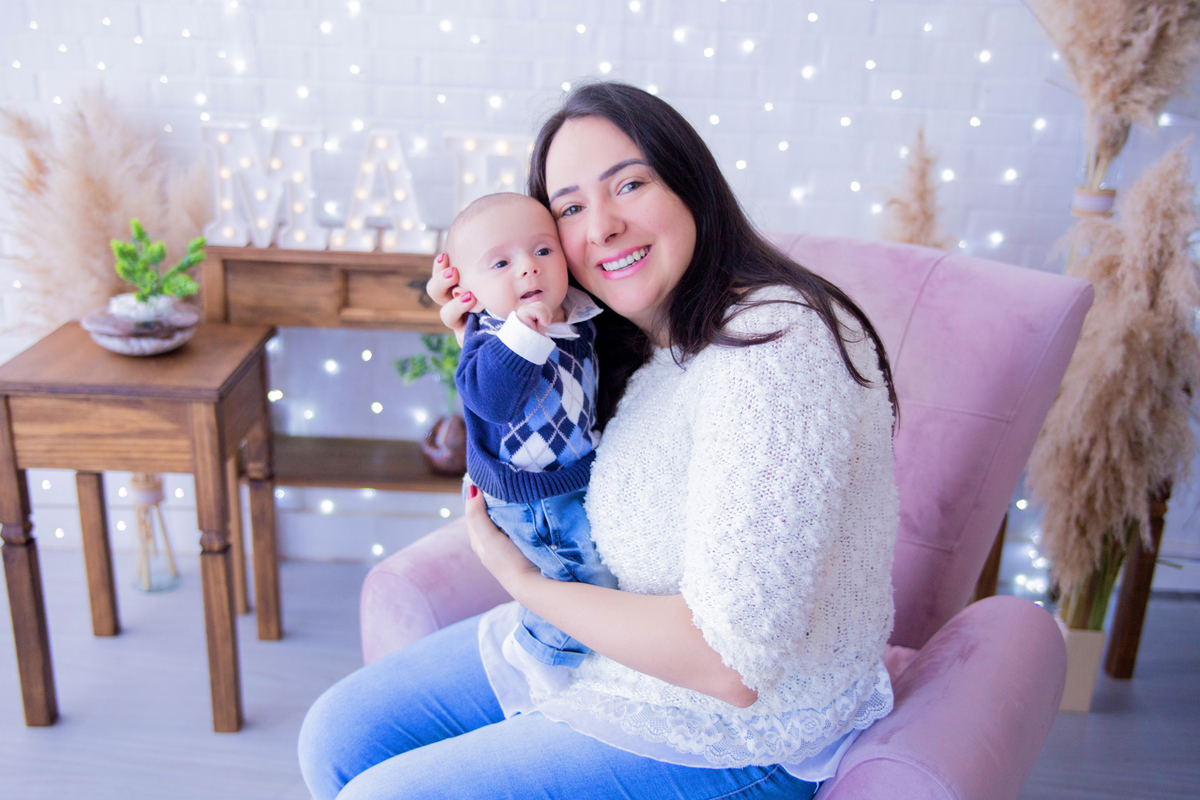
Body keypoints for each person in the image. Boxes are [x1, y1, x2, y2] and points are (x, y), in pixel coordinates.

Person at [299, 81, 900, 800]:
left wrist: (525, 584)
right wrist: (492, 340)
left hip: (743, 727)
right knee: (339, 733)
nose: (602, 227)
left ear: (691, 184)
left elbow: (728, 666)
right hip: (602, 645)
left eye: (631, 184)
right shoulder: (621, 335)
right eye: (571, 209)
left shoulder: (777, 347)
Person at [445, 191, 617, 689]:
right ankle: (538, 656)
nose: (528, 269)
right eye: (501, 262)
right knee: (585, 582)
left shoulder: (577, 311)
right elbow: (488, 400)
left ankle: (559, 650)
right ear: (468, 293)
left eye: (543, 251)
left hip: (567, 478)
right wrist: (519, 334)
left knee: (591, 575)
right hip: (531, 496)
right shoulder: (491, 335)